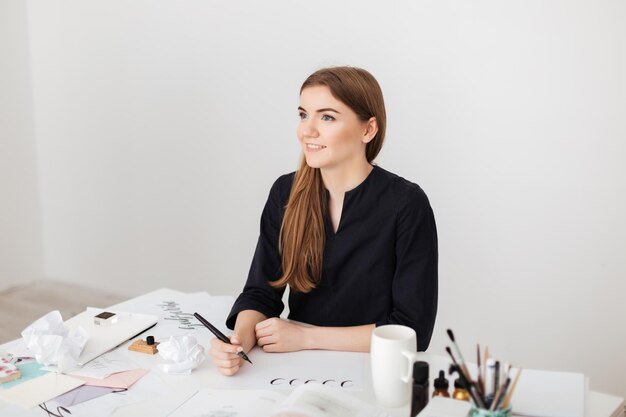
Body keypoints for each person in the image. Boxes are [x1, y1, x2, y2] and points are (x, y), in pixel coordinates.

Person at [210, 66, 438, 376]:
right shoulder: (285, 192)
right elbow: (261, 293)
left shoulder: (407, 204)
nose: (307, 130)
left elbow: (412, 329)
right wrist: (238, 341)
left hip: (376, 370)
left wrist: (305, 337)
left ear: (368, 130)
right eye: (304, 114)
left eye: (327, 117)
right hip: (294, 367)